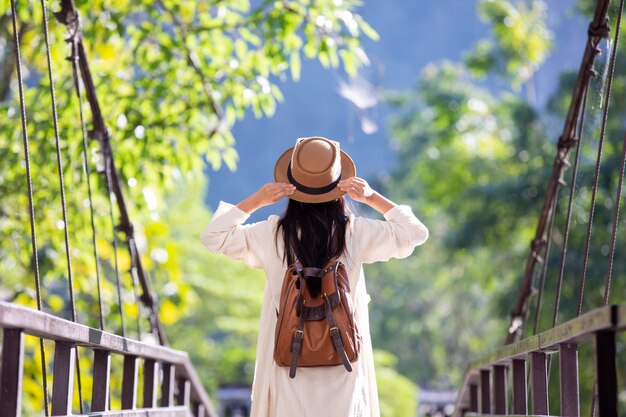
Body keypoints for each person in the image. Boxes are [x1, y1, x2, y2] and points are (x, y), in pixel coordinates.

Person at [201, 137, 429, 417]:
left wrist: (258, 200)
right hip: (343, 362)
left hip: (289, 363)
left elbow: (213, 237)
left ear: (291, 186)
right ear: (339, 186)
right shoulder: (354, 233)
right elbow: (415, 233)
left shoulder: (272, 235)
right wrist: (370, 197)